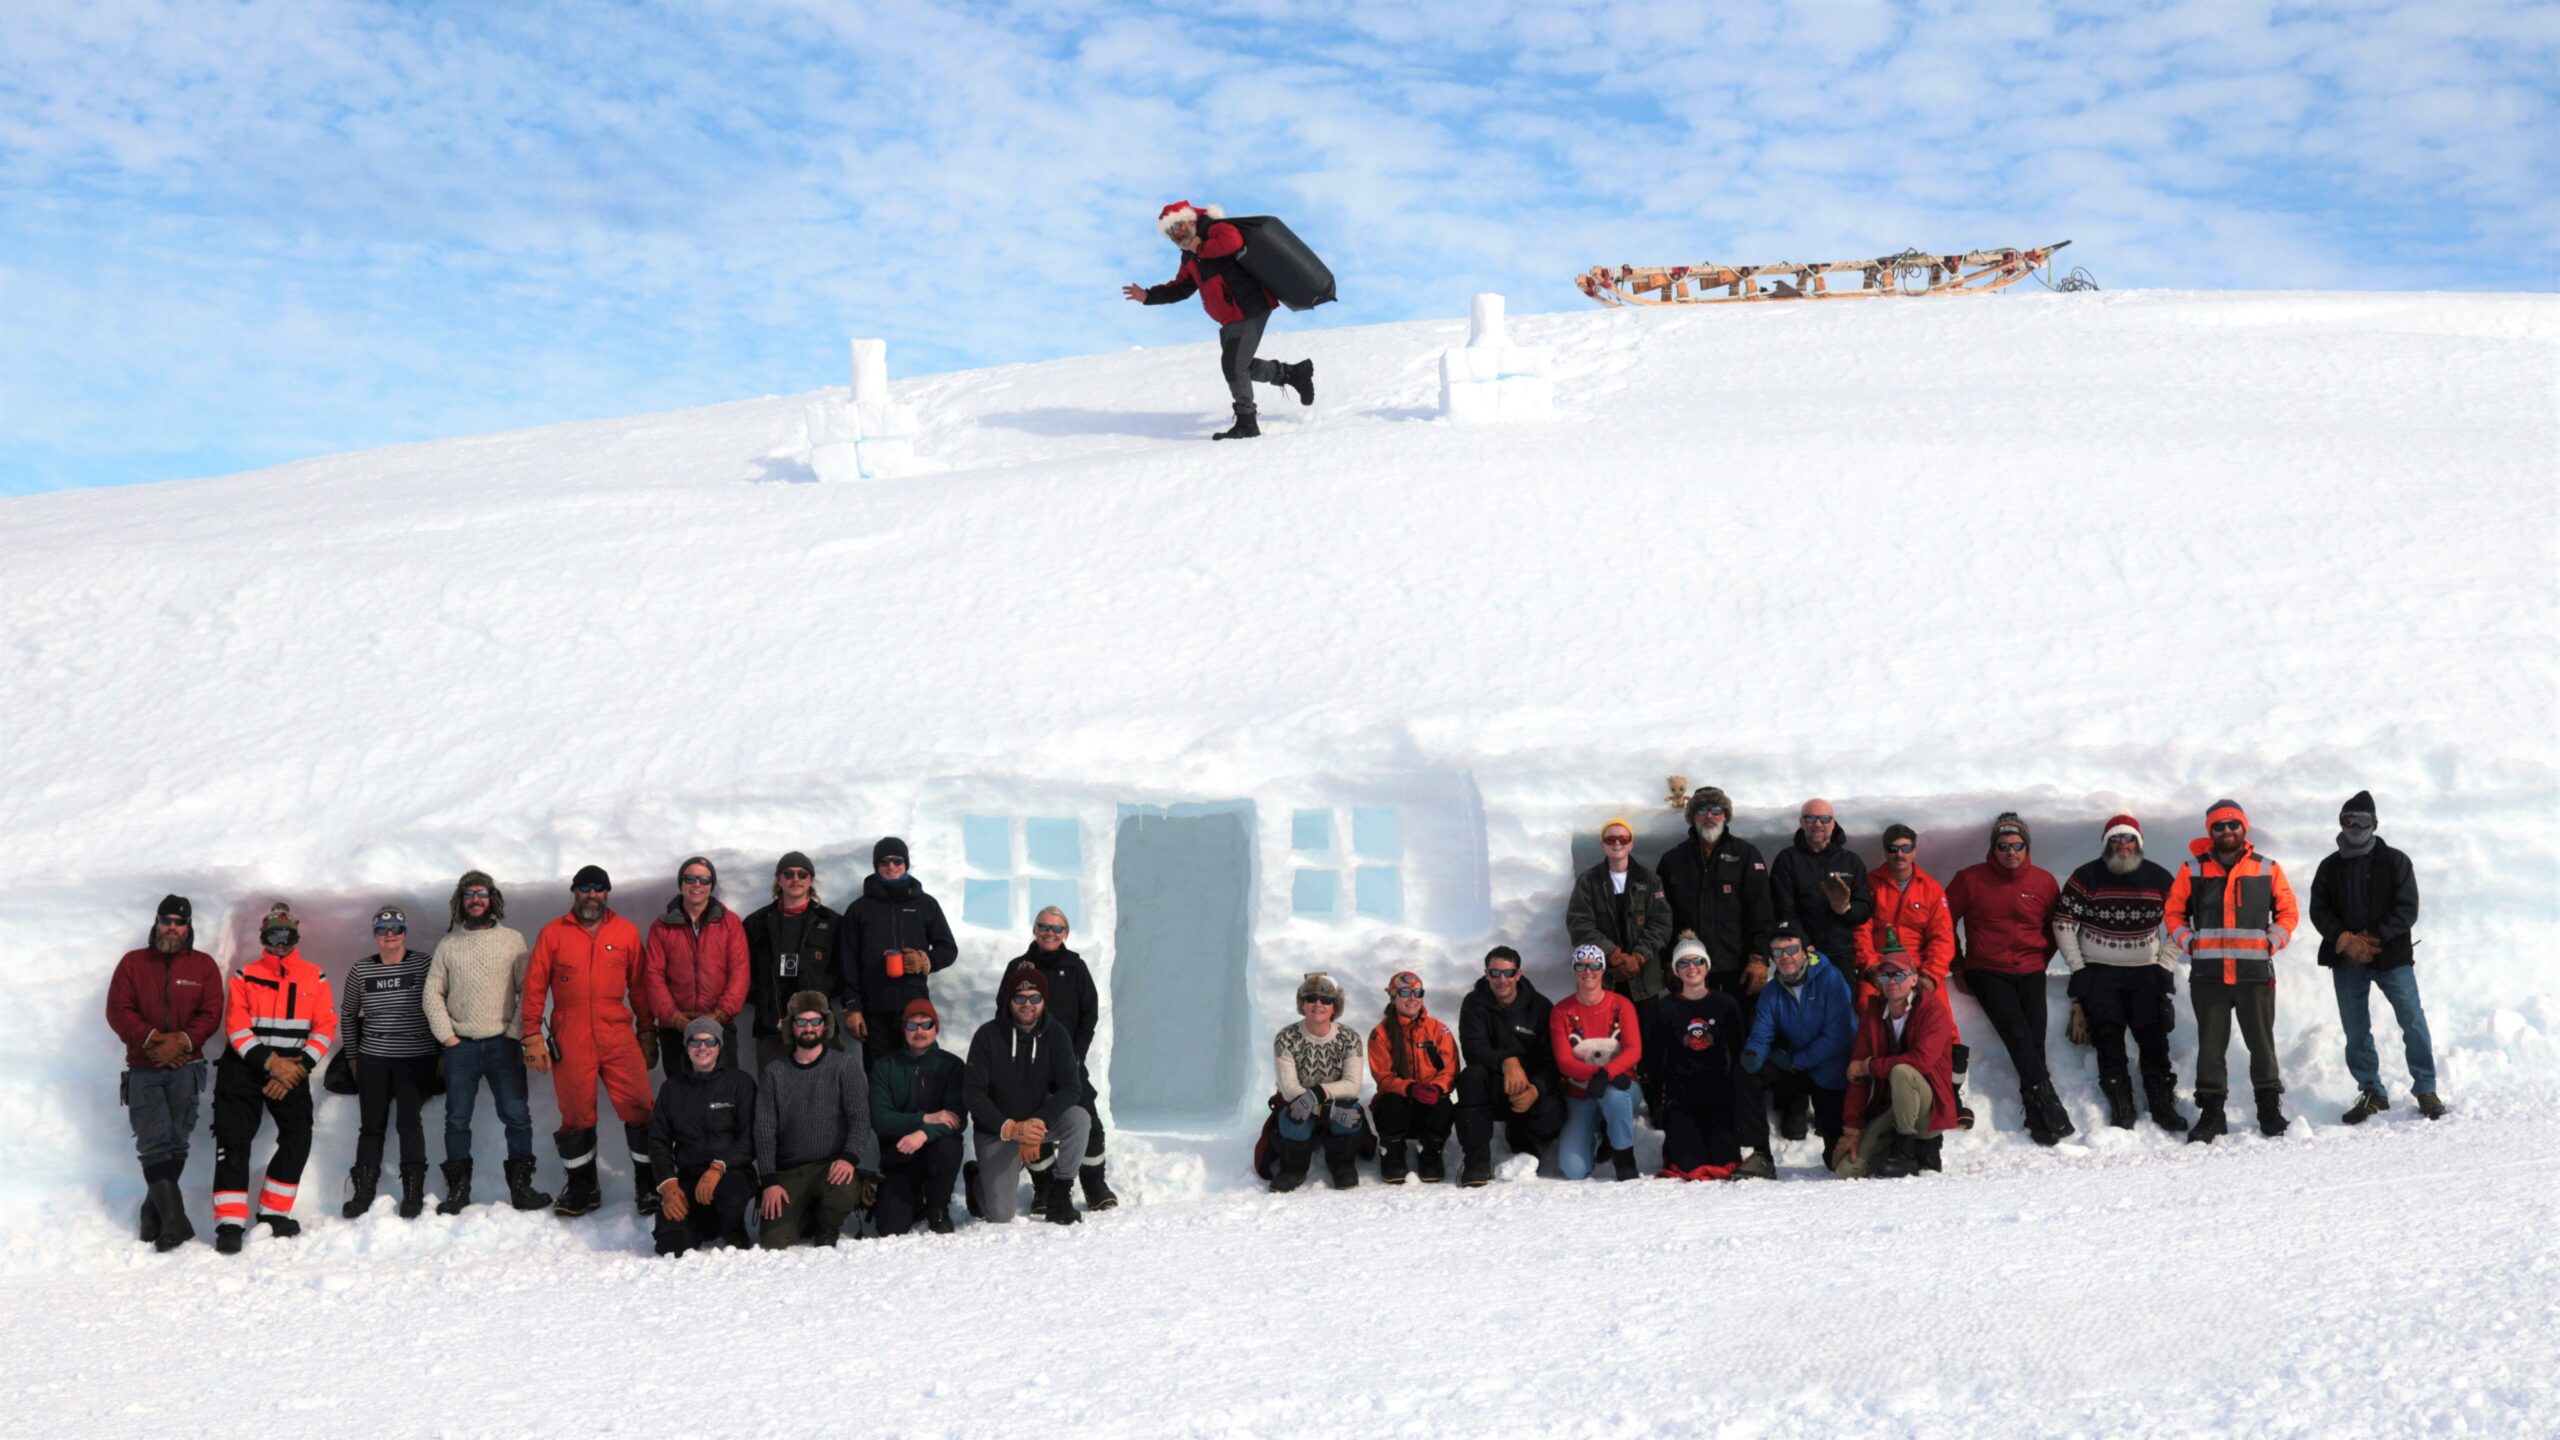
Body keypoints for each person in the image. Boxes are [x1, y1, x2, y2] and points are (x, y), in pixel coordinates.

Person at [1651, 787, 1778, 1176]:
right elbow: (1662, 918)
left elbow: (1762, 911)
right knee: (1691, 1046)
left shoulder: (1746, 855)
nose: (1710, 816)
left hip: (1738, 972)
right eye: (1703, 810)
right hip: (1692, 972)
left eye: (1717, 810)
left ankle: (1749, 1133)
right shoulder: (1674, 860)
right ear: (1692, 816)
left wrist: (1760, 958)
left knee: (1741, 1053)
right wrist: (1670, 966)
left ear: (1727, 815)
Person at [521, 866, 657, 1217]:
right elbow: (535, 986)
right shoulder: (553, 933)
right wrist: (532, 1035)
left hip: (617, 1031)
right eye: (585, 888)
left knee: (640, 1107)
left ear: (607, 893)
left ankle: (650, 1185)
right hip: (571, 1033)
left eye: (598, 889)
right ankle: (583, 1187)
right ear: (574, 892)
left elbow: (639, 987)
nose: (591, 895)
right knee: (576, 1114)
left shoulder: (625, 932)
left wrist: (646, 1031)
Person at [2165, 800, 2301, 1142]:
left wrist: (2272, 942)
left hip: (2254, 974)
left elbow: (2288, 912)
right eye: (2219, 826)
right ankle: (2212, 1114)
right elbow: (2173, 913)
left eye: (2233, 825)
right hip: (2209, 976)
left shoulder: (2267, 868)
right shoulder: (2192, 869)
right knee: (2210, 1047)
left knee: (2262, 1044)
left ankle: (2269, 1110)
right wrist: (2189, 942)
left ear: (2244, 828)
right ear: (2210, 831)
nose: (2227, 831)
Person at [1121, 200, 1314, 441]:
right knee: (1240, 365)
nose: (1176, 233)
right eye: (1170, 231)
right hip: (1230, 317)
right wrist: (1149, 296)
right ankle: (1292, 373)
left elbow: (1233, 242)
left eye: (1178, 226)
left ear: (1191, 219)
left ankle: (1247, 424)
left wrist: (1200, 247)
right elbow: (1181, 288)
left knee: (1234, 366)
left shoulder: (1215, 228)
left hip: (1249, 307)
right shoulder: (1189, 257)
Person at [209, 902, 338, 1254]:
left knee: (298, 1134)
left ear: (296, 937)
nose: (280, 944)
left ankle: (273, 1214)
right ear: (263, 938)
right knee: (234, 1139)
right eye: (273, 936)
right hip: (246, 1065)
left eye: (287, 936)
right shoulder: (244, 976)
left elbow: (326, 1026)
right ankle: (230, 1223)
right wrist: (270, 1063)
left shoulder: (315, 976)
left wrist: (299, 1066)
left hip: (293, 1065)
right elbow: (235, 1025)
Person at [422, 870, 550, 1213]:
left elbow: (528, 990)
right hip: (460, 1047)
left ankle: (522, 1189)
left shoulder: (512, 940)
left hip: (503, 1044)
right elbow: (432, 993)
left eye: (481, 893)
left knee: (516, 1115)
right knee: (456, 1119)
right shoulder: (448, 945)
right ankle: (458, 1192)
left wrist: (514, 1032)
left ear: (493, 899)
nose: (476, 900)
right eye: (468, 895)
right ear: (459, 903)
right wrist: (447, 1036)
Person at [2310, 791, 2441, 1124]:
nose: (2354, 827)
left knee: (2412, 1019)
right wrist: (2343, 939)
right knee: (2356, 1029)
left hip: (2391, 958)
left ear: (2375, 824)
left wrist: (2374, 937)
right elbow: (2319, 910)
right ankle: (2372, 1092)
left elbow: (2407, 908)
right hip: (2346, 961)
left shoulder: (2396, 861)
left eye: (2361, 821)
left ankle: (2426, 1089)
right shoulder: (2329, 866)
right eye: (2347, 820)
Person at [2055, 816, 2189, 1131]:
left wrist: (2166, 963)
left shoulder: (2158, 877)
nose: (2122, 845)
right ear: (2106, 844)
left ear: (2138, 843)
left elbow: (2183, 921)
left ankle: (2161, 1102)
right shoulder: (2086, 875)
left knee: (2154, 1038)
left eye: (2128, 839)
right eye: (2115, 840)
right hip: (2099, 972)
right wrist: (2078, 968)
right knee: (2107, 1037)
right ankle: (2120, 1102)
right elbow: (2062, 922)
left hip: (2145, 971)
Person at [1947, 813, 2073, 1145]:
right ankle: (2051, 1105)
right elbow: (1944, 921)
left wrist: (2041, 960)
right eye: (2003, 846)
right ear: (1994, 847)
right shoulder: (1970, 879)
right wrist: (1957, 966)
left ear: (2026, 847)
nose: (2010, 852)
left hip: (2031, 970)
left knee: (2034, 1040)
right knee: (2017, 1033)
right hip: (1986, 969)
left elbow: (2053, 927)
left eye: (2017, 845)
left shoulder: (2044, 882)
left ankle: (2037, 1118)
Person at [104, 895, 222, 1251]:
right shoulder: (133, 963)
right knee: (154, 1142)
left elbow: (211, 1012)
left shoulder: (203, 966)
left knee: (176, 1142)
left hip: (187, 1067)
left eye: (179, 922)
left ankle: (151, 1212)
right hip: (143, 1067)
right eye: (166, 920)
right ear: (156, 923)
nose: (172, 927)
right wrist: (153, 1040)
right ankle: (175, 1220)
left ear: (188, 927)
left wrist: (182, 1042)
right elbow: (118, 1009)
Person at [1003, 905, 1114, 1208]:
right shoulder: (1018, 967)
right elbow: (1003, 1014)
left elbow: (1089, 1014)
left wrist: (1076, 1054)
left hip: (1069, 1064)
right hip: (1028, 1066)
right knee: (1034, 1122)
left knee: (1089, 1122)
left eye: (1057, 928)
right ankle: (1045, 1188)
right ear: (1034, 930)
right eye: (1044, 926)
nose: (1050, 933)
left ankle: (1094, 1185)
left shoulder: (1076, 967)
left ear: (1066, 933)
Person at [336, 905, 440, 1220]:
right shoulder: (361, 969)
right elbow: (348, 1014)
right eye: (382, 930)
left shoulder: (424, 964)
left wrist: (441, 1053)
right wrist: (353, 1055)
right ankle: (363, 1192)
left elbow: (440, 1005)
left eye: (395, 929)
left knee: (409, 1123)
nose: (389, 935)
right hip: (374, 1059)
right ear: (375, 935)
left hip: (416, 1057)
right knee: (371, 1127)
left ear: (405, 932)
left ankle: (412, 1193)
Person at [966, 962, 1091, 1222]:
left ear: (1044, 1000)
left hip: (1035, 1123)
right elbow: (972, 1093)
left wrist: (1037, 1123)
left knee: (1079, 1118)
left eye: (1035, 997)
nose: (1027, 1004)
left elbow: (1072, 1088)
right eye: (1020, 997)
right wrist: (1011, 1129)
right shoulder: (987, 1035)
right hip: (997, 1131)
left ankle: (1059, 1194)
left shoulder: (1057, 1034)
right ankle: (977, 1179)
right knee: (1000, 1216)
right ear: (1010, 1000)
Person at [754, 990, 878, 1247]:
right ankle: (805, 1214)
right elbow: (764, 1129)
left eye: (815, 1021)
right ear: (791, 1026)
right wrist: (769, 1181)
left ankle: (827, 1225)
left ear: (825, 1025)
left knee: (842, 1195)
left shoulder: (844, 1066)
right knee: (773, 1240)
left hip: (830, 1166)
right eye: (801, 1022)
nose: (808, 1028)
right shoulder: (774, 1072)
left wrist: (849, 1157)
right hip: (789, 1170)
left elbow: (860, 1118)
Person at [1738, 921, 1856, 1156]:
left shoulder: (1831, 978)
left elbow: (1838, 1036)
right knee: (1746, 1074)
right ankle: (1758, 1154)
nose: (1785, 957)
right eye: (1778, 952)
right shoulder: (1772, 992)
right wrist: (1754, 1052)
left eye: (1791, 949)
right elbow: (1762, 1031)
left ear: (1805, 950)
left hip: (1832, 1071)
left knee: (1838, 1161)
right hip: (1798, 1068)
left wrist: (1796, 1061)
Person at [1834, 957, 1957, 1178]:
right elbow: (1857, 1072)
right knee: (1847, 1170)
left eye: (1899, 975)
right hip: (1891, 1106)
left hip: (1928, 1106)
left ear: (1913, 979)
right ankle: (1889, 1151)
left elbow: (1922, 1061)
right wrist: (1852, 1127)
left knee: (1902, 1071)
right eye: (1885, 976)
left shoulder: (1932, 1010)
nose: (1892, 981)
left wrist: (1872, 1066)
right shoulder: (1873, 1014)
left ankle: (1906, 1154)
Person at [842, 837, 957, 1071]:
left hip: (915, 1010)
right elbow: (847, 962)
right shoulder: (859, 909)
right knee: (880, 1076)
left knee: (918, 1075)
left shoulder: (925, 904)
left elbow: (948, 949)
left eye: (897, 860)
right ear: (876, 866)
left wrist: (927, 960)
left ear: (906, 864)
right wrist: (852, 1007)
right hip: (875, 1011)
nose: (891, 866)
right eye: (884, 861)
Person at [1453, 945, 1564, 1186]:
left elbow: (1552, 1061)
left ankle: (1526, 1149)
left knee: (1552, 1111)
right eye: (1495, 973)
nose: (1501, 979)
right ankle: (1476, 1160)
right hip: (1493, 1087)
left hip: (1528, 1091)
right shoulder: (1474, 1003)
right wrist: (1506, 1061)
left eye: (1508, 973)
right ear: (1486, 974)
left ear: (1518, 974)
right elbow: (1472, 1048)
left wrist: (1535, 1089)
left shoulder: (1540, 1007)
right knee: (1470, 1076)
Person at [648, 1016, 758, 1256]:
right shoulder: (672, 1088)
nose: (703, 1048)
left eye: (710, 1041)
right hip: (689, 1177)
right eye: (695, 1042)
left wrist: (720, 1166)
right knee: (670, 1245)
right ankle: (700, 1226)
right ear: (686, 1047)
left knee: (730, 1193)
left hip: (732, 1172)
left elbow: (751, 1136)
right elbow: (658, 1140)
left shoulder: (740, 1083)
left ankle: (733, 1229)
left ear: (719, 1046)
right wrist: (668, 1185)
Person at [1641, 936, 1743, 1179]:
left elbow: (1740, 1050)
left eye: (1698, 961)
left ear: (1707, 966)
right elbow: (1654, 1057)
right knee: (1689, 1164)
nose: (1692, 967)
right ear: (1676, 970)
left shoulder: (1727, 1004)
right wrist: (1659, 1099)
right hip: (1681, 1097)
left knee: (1723, 1158)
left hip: (1719, 1093)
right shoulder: (1665, 1008)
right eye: (1684, 963)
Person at [871, 998, 968, 1236]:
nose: (919, 1032)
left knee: (949, 1146)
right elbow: (881, 1119)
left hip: (935, 1152)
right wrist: (925, 1119)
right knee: (889, 1227)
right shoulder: (885, 1067)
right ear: (903, 1029)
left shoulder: (952, 1066)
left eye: (926, 1025)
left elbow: (957, 1120)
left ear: (936, 1027)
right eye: (912, 1026)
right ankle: (913, 1200)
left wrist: (923, 1133)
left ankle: (937, 1207)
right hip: (900, 1153)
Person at [643, 856, 749, 1074]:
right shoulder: (662, 926)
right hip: (675, 1029)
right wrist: (674, 1018)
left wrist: (719, 1014)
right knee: (681, 1093)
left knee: (723, 1093)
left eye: (704, 880)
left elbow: (739, 973)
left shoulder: (730, 923)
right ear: (681, 884)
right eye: (690, 879)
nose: (697, 885)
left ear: (712, 885)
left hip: (720, 1025)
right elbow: (654, 976)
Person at [742, 851, 845, 1072]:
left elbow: (845, 970)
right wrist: (762, 996)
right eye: (788, 874)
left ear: (811, 879)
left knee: (828, 1092)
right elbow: (742, 970)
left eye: (802, 874)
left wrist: (820, 992)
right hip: (772, 1026)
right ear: (778, 880)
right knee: (776, 1095)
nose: (795, 879)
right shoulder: (755, 923)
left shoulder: (832, 923)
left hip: (818, 1025)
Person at [1551, 945, 1644, 1180]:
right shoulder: (1562, 1011)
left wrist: (1607, 1075)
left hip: (1621, 1088)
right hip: (1581, 1093)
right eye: (1581, 966)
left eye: (1594, 965)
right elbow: (1564, 1061)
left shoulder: (1621, 1005)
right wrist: (1600, 1075)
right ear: (1574, 970)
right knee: (1573, 1170)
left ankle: (1624, 1160)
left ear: (1603, 970)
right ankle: (1600, 1133)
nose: (1588, 971)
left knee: (1613, 1096)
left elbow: (1634, 1050)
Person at [1269, 971, 1366, 1193]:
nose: (1318, 1004)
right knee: (1292, 1119)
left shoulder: (1349, 1038)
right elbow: (1289, 1088)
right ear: (1302, 1004)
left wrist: (1316, 1095)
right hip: (1298, 1103)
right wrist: (1327, 1111)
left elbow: (1352, 1084)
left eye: (1327, 1000)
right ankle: (1293, 1168)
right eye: (1311, 998)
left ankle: (1342, 1164)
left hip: (1333, 1101)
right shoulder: (1286, 1037)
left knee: (1351, 1117)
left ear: (1335, 1006)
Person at [1767, 799, 1878, 988]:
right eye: (1810, 818)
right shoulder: (1787, 860)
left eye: (1824, 819)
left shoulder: (1851, 861)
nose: (1818, 824)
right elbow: (1783, 909)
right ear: (1802, 822)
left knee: (1839, 1012)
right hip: (1799, 954)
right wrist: (1805, 945)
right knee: (1801, 1012)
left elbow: (1865, 908)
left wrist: (1845, 908)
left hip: (1841, 956)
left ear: (1833, 823)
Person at [1565, 817, 1675, 1003]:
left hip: (1644, 979)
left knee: (1644, 1032)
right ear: (1603, 845)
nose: (1617, 843)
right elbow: (1579, 923)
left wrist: (1638, 957)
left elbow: (1661, 923)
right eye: (1610, 839)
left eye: (1623, 839)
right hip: (1605, 978)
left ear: (1631, 845)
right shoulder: (1589, 881)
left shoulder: (1649, 880)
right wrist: (1612, 954)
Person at [1367, 970, 1458, 1184]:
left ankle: (1430, 1152)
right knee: (1391, 1101)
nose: (1412, 998)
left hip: (1428, 1104)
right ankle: (1392, 1152)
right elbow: (1383, 1077)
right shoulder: (1380, 1033)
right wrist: (1410, 1088)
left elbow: (1451, 1070)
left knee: (1444, 1105)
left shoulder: (1438, 1030)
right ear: (1393, 996)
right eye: (1405, 992)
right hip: (1398, 1110)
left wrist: (1437, 1088)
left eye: (1418, 992)